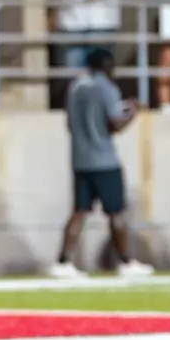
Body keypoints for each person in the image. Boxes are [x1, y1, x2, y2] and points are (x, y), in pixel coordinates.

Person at [49, 50, 149, 277]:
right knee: (116, 212)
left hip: (80, 159)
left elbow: (70, 123)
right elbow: (115, 124)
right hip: (104, 159)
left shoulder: (76, 87)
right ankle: (126, 261)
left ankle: (62, 262)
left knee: (78, 212)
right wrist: (133, 112)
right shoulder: (107, 88)